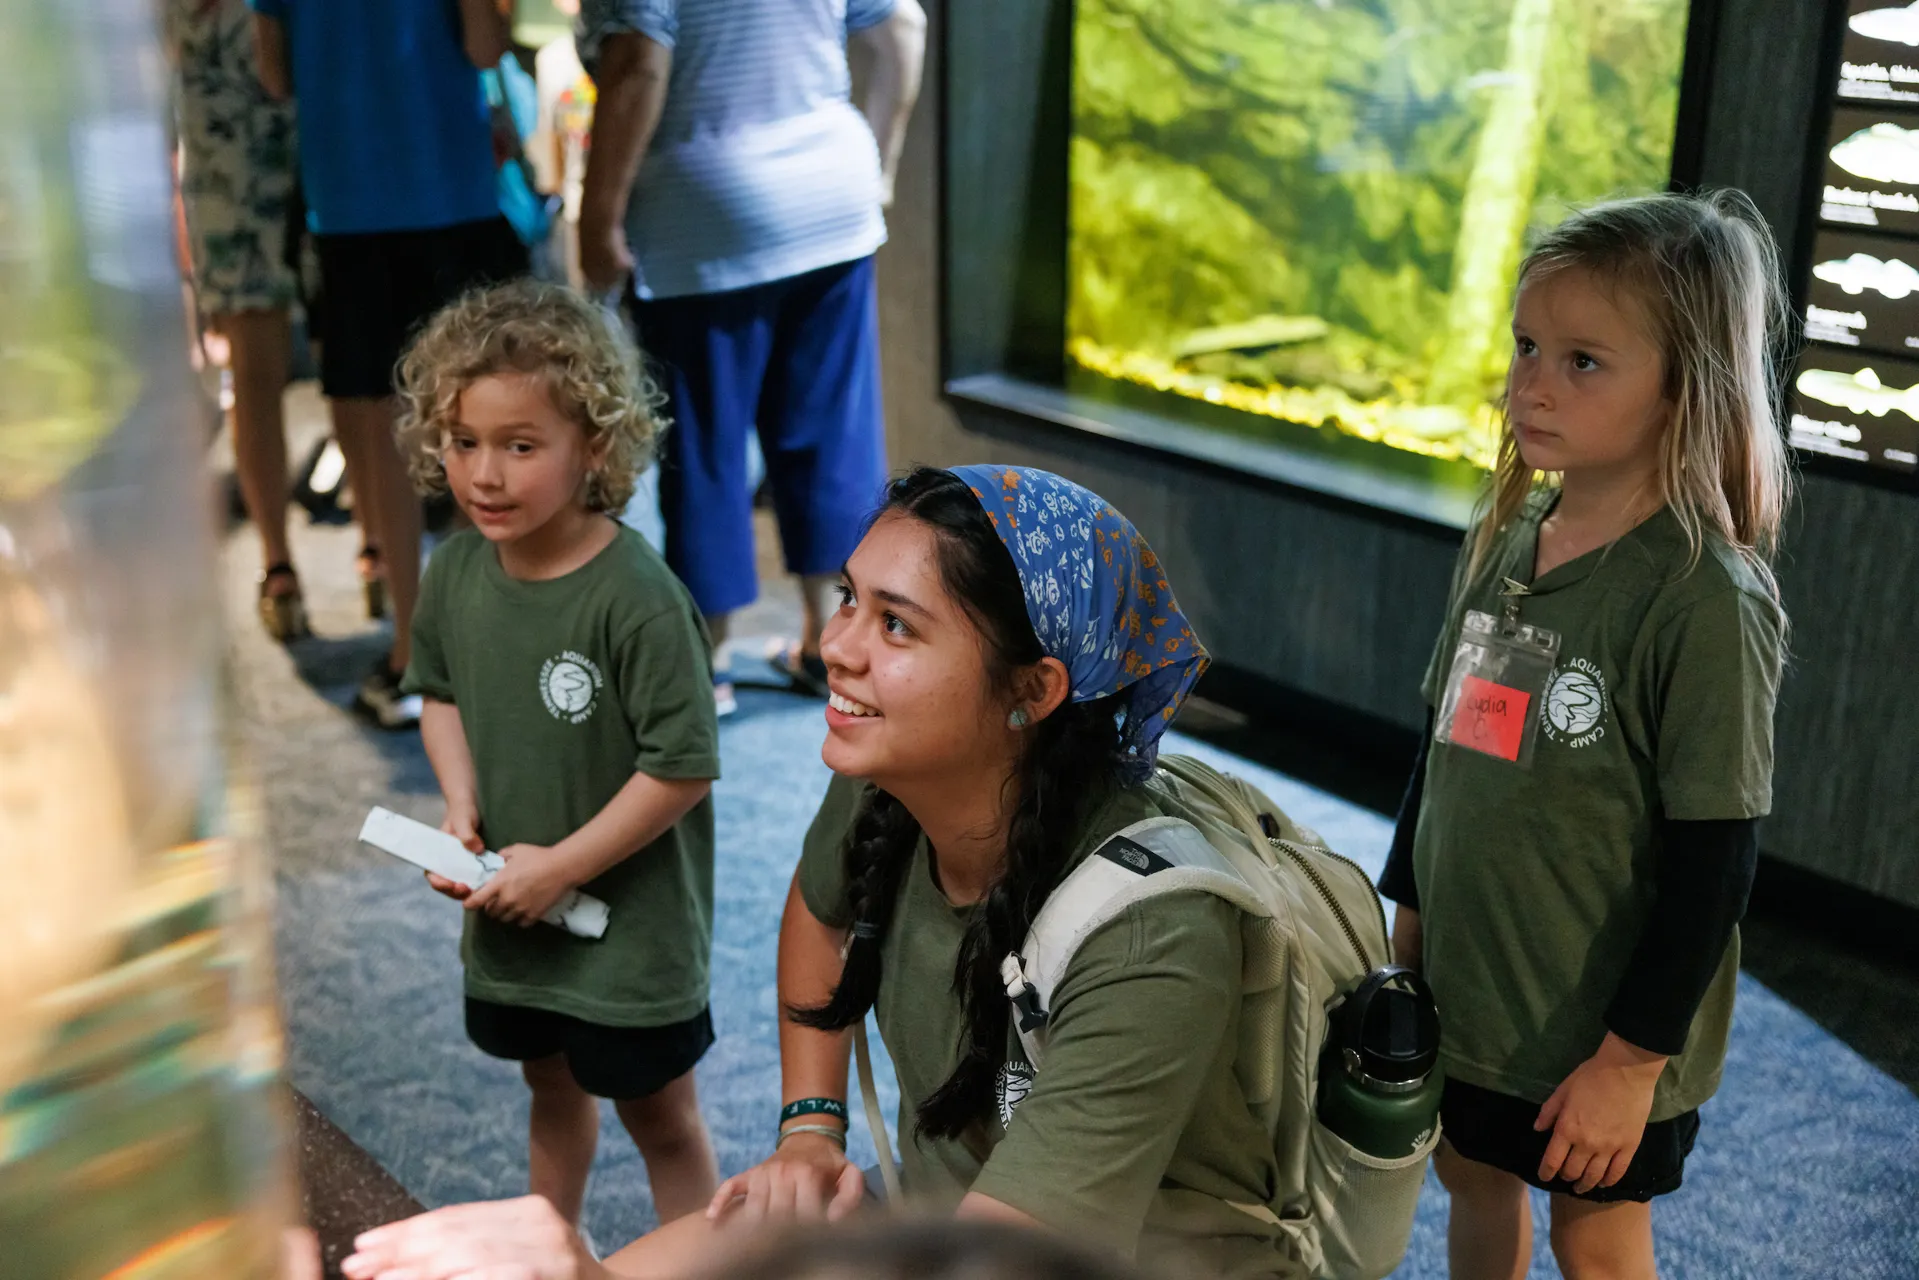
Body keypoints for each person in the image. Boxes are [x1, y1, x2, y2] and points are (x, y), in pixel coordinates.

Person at [342, 465, 1319, 1280]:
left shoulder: (1154, 942)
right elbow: (817, 915)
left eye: (896, 626)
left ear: (1032, 690)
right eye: (848, 597)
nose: (836, 646)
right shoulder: (891, 776)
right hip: (947, 1227)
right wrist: (810, 1126)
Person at [1377, 191, 1791, 1280]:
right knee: (1471, 1176)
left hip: (1598, 1029)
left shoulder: (1705, 597)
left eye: (1581, 360)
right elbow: (1441, 747)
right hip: (1470, 995)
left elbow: (1715, 858)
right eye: (1524, 346)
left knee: (1594, 1233)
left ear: (1681, 386)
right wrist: (1405, 925)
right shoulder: (1506, 532)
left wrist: (1628, 1061)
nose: (1531, 382)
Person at [394, 280, 723, 1238]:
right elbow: (441, 696)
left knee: (661, 1118)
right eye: (463, 443)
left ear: (598, 448)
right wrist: (460, 813)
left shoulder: (641, 598)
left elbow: (682, 768)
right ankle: (549, 1247)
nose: (483, 475)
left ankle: (701, 1268)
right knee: (550, 1085)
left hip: (630, 935)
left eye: (519, 445)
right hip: (513, 914)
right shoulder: (454, 572)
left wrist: (563, 869)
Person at [575, 0, 927, 715]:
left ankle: (706, 665)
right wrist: (879, 163)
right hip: (830, 201)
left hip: (701, 215)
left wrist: (598, 215)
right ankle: (833, 652)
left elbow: (639, 62)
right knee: (830, 437)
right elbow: (902, 31)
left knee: (704, 450)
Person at [250, 0, 530, 727]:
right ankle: (490, 638)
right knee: (488, 421)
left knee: (382, 426)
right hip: (451, 186)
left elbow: (274, 76)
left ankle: (411, 648)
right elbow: (484, 44)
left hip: (348, 200)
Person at [165, 0, 305, 640]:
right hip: (229, 167)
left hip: (317, 150)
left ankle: (373, 554)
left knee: (362, 370)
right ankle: (280, 563)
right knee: (255, 372)